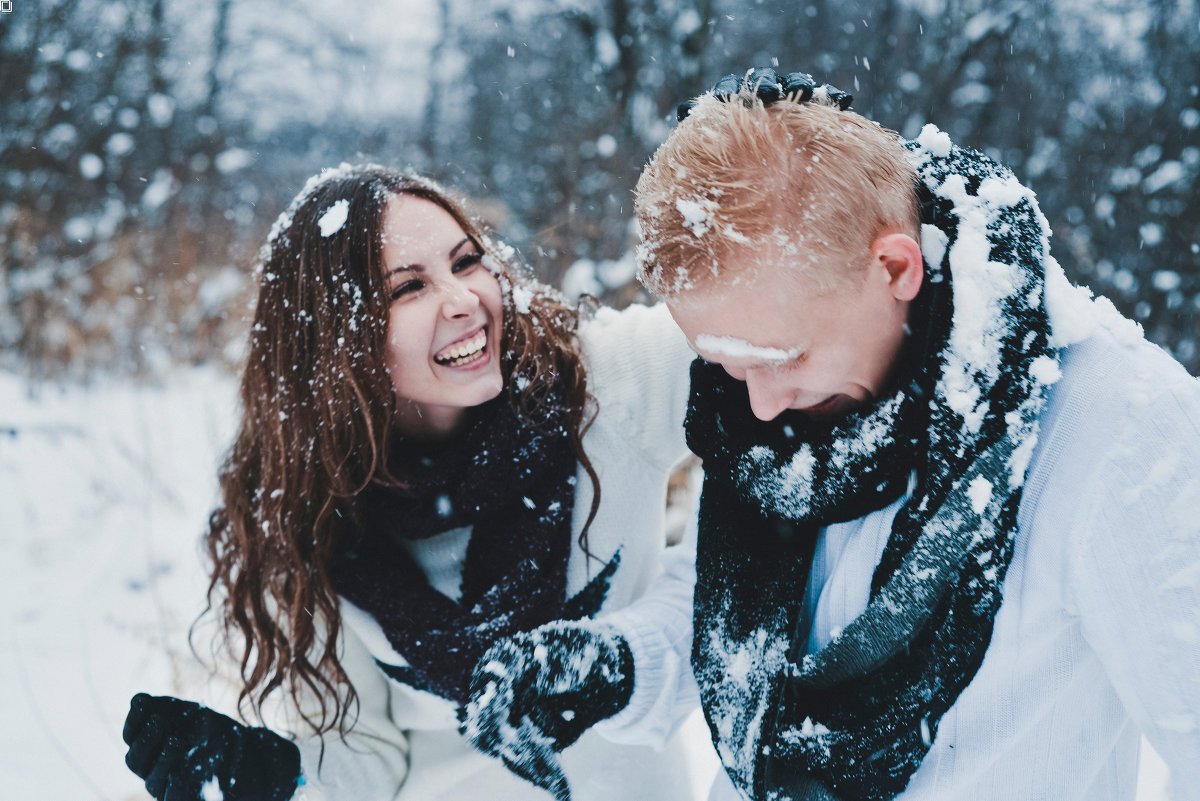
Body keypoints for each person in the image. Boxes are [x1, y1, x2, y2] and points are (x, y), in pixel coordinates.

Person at [464, 71, 1200, 800]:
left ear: (894, 266)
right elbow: (733, 614)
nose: (759, 404)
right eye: (726, 365)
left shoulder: (1114, 425)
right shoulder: (771, 407)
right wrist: (615, 663)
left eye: (781, 359)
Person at [119, 164, 706, 801]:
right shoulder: (310, 519)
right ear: (335, 338)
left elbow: (762, 343)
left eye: (466, 262)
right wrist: (273, 774)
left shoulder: (601, 388)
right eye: (408, 288)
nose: (463, 300)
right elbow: (364, 757)